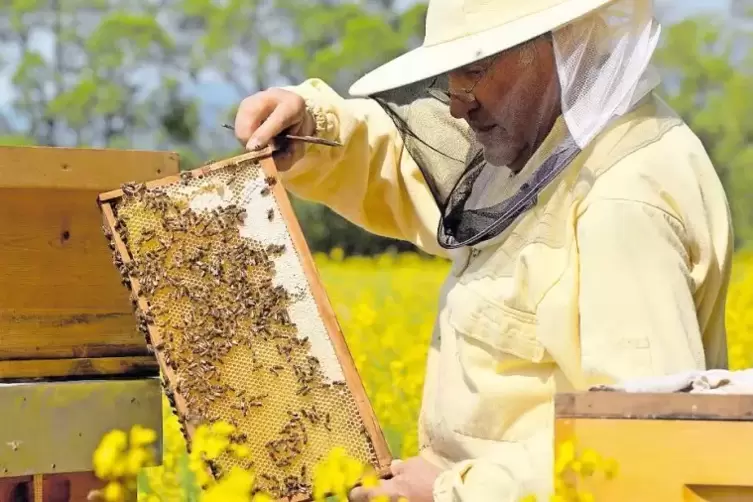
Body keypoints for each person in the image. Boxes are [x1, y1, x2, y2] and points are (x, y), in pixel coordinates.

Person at [234, 0, 734, 500]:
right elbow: (411, 162)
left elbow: (645, 438)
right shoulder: (541, 139)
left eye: (473, 70)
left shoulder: (624, 198)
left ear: (557, 46)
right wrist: (313, 127)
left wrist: (455, 492)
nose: (457, 102)